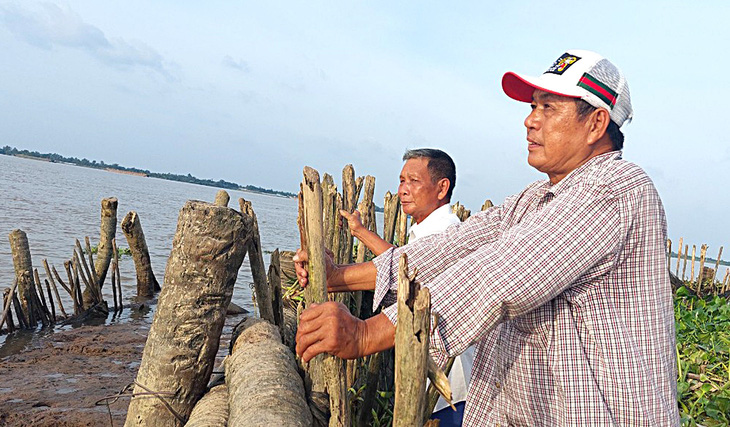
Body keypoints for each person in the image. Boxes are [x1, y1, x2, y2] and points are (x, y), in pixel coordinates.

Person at [295, 49, 680, 425]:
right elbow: (451, 249)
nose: (530, 121)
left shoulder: (613, 188)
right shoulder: (535, 200)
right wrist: (337, 276)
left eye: (549, 108)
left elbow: (501, 275)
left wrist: (366, 333)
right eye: (533, 107)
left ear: (596, 124)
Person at [340, 148, 472, 425]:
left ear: (441, 187)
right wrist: (360, 232)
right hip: (434, 375)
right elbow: (402, 262)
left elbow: (404, 271)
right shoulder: (425, 229)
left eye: (413, 181)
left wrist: (334, 276)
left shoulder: (446, 230)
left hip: (450, 381)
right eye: (401, 181)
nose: (403, 190)